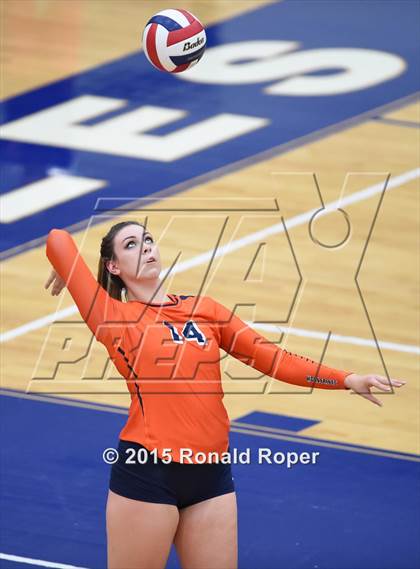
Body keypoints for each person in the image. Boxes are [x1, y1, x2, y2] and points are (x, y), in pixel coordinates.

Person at [44, 221, 406, 569]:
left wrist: (346, 379)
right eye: (131, 245)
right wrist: (69, 269)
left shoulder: (205, 309)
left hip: (211, 477)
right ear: (113, 266)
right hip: (147, 471)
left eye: (148, 240)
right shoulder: (112, 317)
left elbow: (272, 359)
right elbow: (58, 238)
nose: (146, 248)